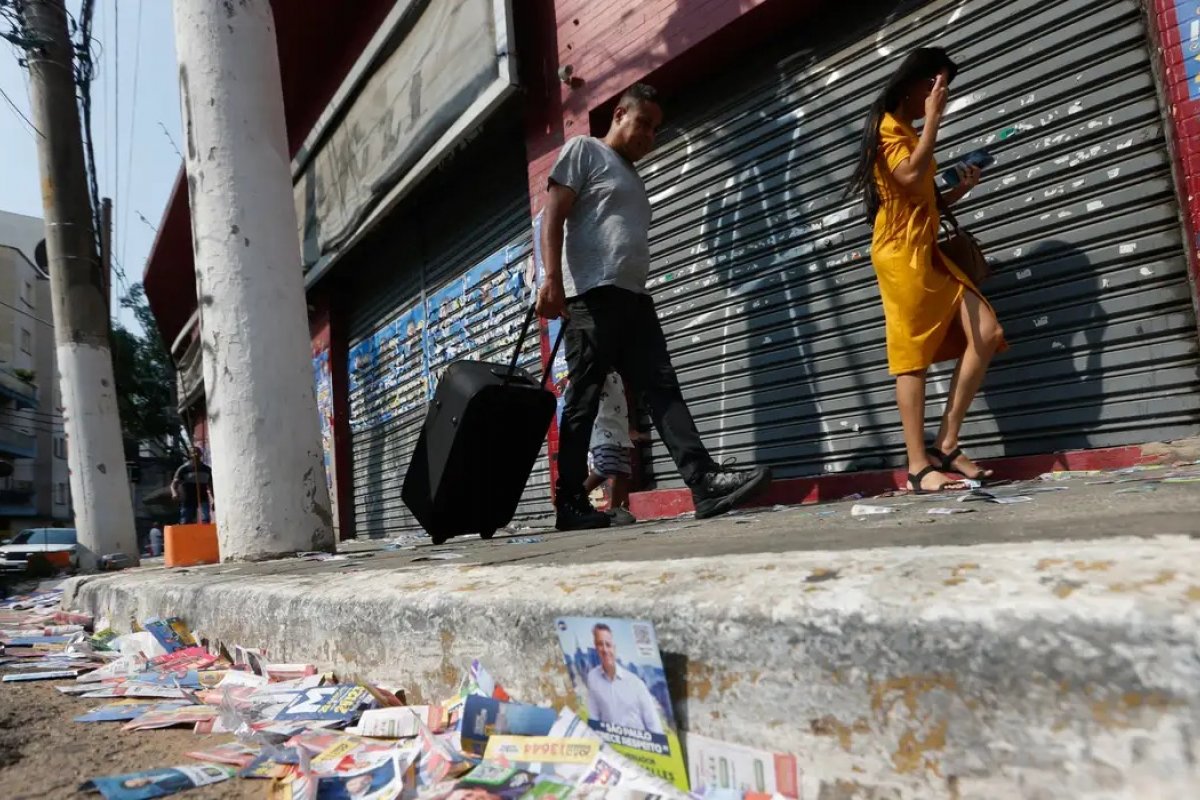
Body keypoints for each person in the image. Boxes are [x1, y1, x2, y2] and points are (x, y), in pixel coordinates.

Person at [538, 83, 771, 530]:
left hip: (633, 299)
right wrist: (551, 280)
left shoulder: (632, 175)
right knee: (584, 398)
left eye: (656, 129)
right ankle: (570, 503)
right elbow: (554, 214)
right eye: (643, 122)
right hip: (590, 297)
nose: (649, 135)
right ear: (620, 114)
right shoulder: (583, 150)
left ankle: (702, 483)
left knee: (662, 388)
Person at [846, 48, 1007, 494]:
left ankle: (948, 442)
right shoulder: (888, 129)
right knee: (912, 356)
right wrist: (935, 118)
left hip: (927, 250)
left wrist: (958, 192)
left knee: (987, 333)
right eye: (937, 87)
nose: (941, 96)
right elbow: (908, 174)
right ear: (915, 84)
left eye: (945, 90)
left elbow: (922, 198)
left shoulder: (909, 130)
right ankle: (918, 466)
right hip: (901, 255)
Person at [584, 623, 664, 734]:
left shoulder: (636, 684)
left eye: (608, 644)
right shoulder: (592, 677)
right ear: (595, 647)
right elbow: (594, 716)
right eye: (600, 644)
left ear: (614, 647)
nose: (605, 650)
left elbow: (655, 727)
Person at [583, 371, 639, 526]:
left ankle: (614, 509)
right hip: (602, 427)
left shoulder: (618, 375)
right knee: (605, 467)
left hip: (619, 428)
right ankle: (576, 499)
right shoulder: (594, 372)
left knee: (623, 470)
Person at [170, 447, 215, 524]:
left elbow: (210, 485)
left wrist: (214, 499)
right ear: (189, 455)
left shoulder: (207, 469)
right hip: (188, 498)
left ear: (201, 454)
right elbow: (174, 484)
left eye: (197, 452)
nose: (195, 454)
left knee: (206, 519)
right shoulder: (184, 469)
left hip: (202, 497)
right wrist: (174, 493)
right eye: (193, 452)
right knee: (186, 520)